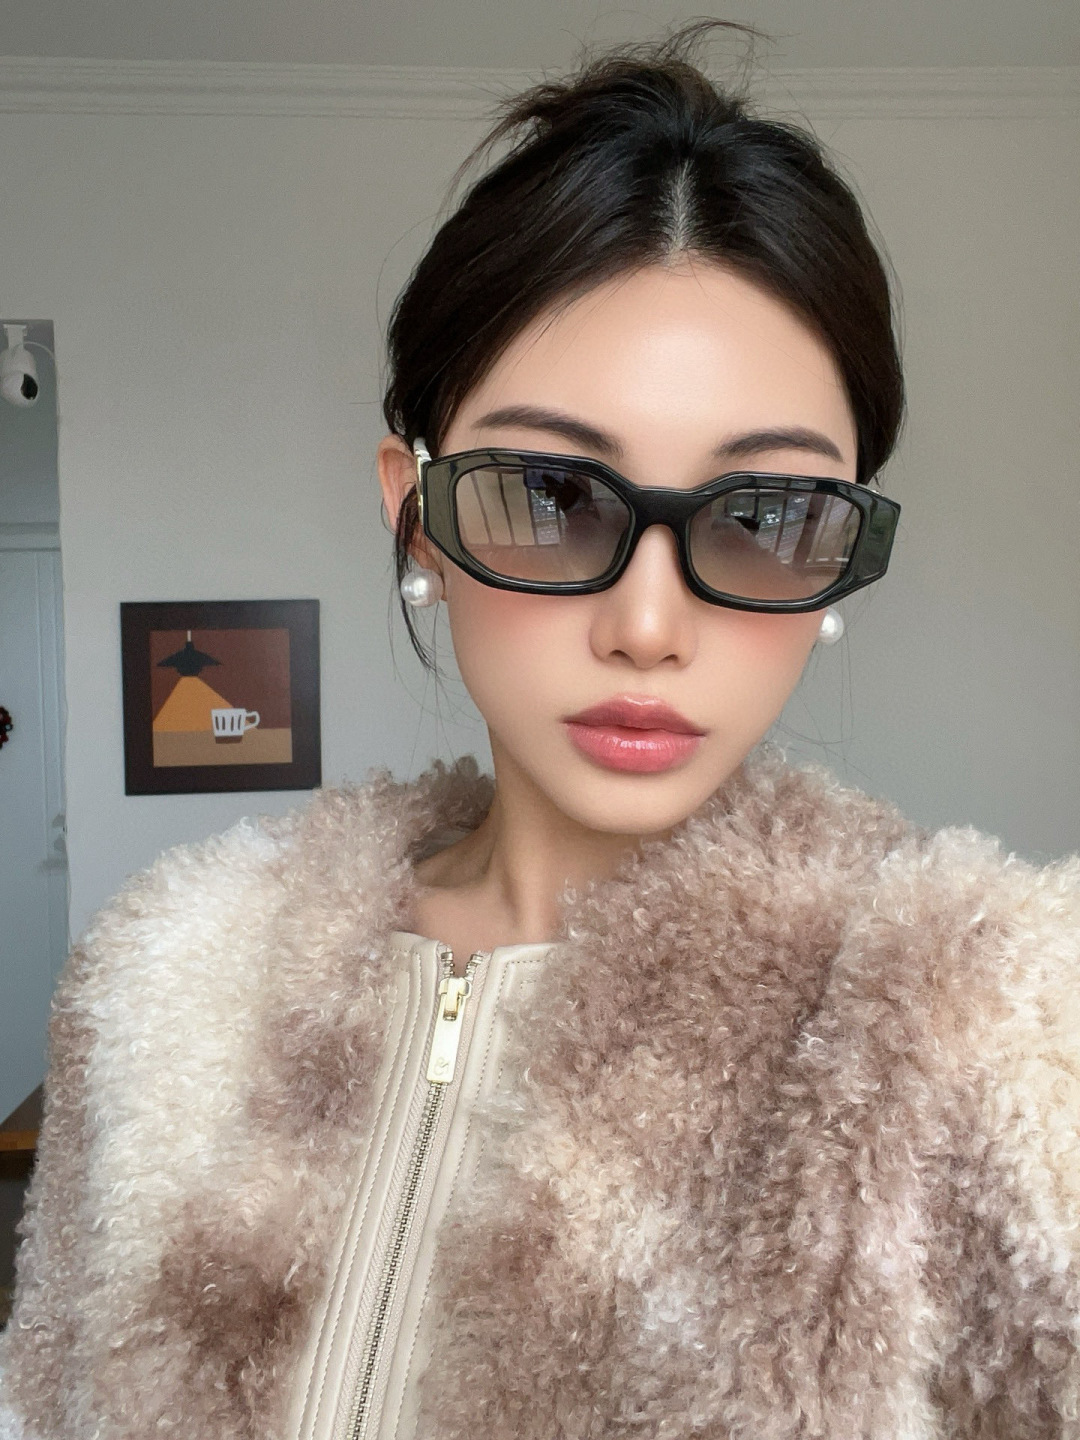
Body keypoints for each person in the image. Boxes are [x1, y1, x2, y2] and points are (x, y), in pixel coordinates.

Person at [3, 22, 1079, 1440]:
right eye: (552, 495)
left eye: (765, 515)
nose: (648, 623)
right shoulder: (163, 985)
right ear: (417, 517)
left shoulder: (990, 1023)